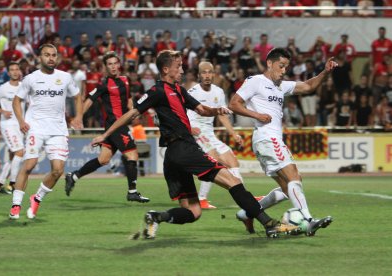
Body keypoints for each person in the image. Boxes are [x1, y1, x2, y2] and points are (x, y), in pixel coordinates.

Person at [91, 50, 299, 239]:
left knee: (194, 212)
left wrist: (218, 110)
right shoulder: (157, 91)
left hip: (173, 156)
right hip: (183, 149)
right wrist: (105, 134)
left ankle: (157, 217)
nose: (182, 69)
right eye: (178, 66)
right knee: (233, 181)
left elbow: (201, 109)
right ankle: (270, 224)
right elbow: (131, 113)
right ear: (166, 69)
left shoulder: (179, 91)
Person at [229, 48, 334, 236]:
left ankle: (247, 212)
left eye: (286, 67)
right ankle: (308, 221)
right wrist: (257, 115)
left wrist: (325, 72)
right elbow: (234, 103)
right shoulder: (255, 81)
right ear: (269, 63)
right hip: (267, 138)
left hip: (268, 141)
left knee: (288, 188)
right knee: (293, 176)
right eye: (281, 66)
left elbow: (308, 87)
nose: (284, 70)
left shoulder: (281, 86)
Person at [9, 44, 83, 220]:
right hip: (36, 128)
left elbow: (78, 96)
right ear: (40, 58)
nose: (51, 58)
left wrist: (78, 116)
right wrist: (21, 121)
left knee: (58, 171)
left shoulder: (65, 77)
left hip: (58, 130)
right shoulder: (30, 79)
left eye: (54, 55)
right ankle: (16, 205)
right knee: (29, 164)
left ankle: (37, 198)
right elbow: (16, 101)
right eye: (47, 55)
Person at [64, 51, 150, 203]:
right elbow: (89, 100)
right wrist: (78, 117)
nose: (113, 66)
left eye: (115, 63)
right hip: (115, 125)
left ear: (119, 64)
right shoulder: (103, 85)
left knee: (103, 159)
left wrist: (133, 112)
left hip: (121, 123)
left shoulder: (126, 80)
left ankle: (74, 176)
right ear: (105, 67)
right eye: (109, 64)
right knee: (132, 155)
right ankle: (132, 192)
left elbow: (128, 99)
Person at [187, 61, 243, 209]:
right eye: (203, 72)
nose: (207, 75)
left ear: (213, 74)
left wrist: (234, 134)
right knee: (214, 159)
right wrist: (190, 128)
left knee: (232, 161)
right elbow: (184, 114)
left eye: (209, 72)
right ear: (199, 75)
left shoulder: (218, 92)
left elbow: (222, 116)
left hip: (209, 133)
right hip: (197, 131)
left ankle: (244, 196)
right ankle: (201, 199)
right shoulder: (193, 92)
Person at [0, 62, 24, 194]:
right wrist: (2, 111)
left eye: (17, 69)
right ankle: (13, 184)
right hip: (8, 125)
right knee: (20, 152)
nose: (15, 72)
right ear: (8, 73)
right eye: (12, 70)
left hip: (20, 125)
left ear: (20, 71)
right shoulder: (2, 88)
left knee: (12, 156)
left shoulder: (23, 88)